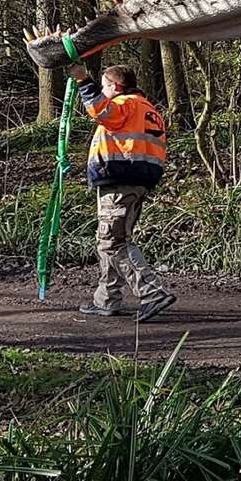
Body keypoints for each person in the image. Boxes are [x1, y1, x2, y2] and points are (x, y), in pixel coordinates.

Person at [69, 63, 175, 322]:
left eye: (104, 87)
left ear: (114, 87)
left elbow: (99, 109)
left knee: (113, 241)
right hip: (135, 180)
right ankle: (107, 298)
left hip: (120, 179)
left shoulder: (125, 104)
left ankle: (152, 293)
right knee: (110, 239)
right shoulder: (147, 108)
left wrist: (84, 80)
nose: (102, 91)